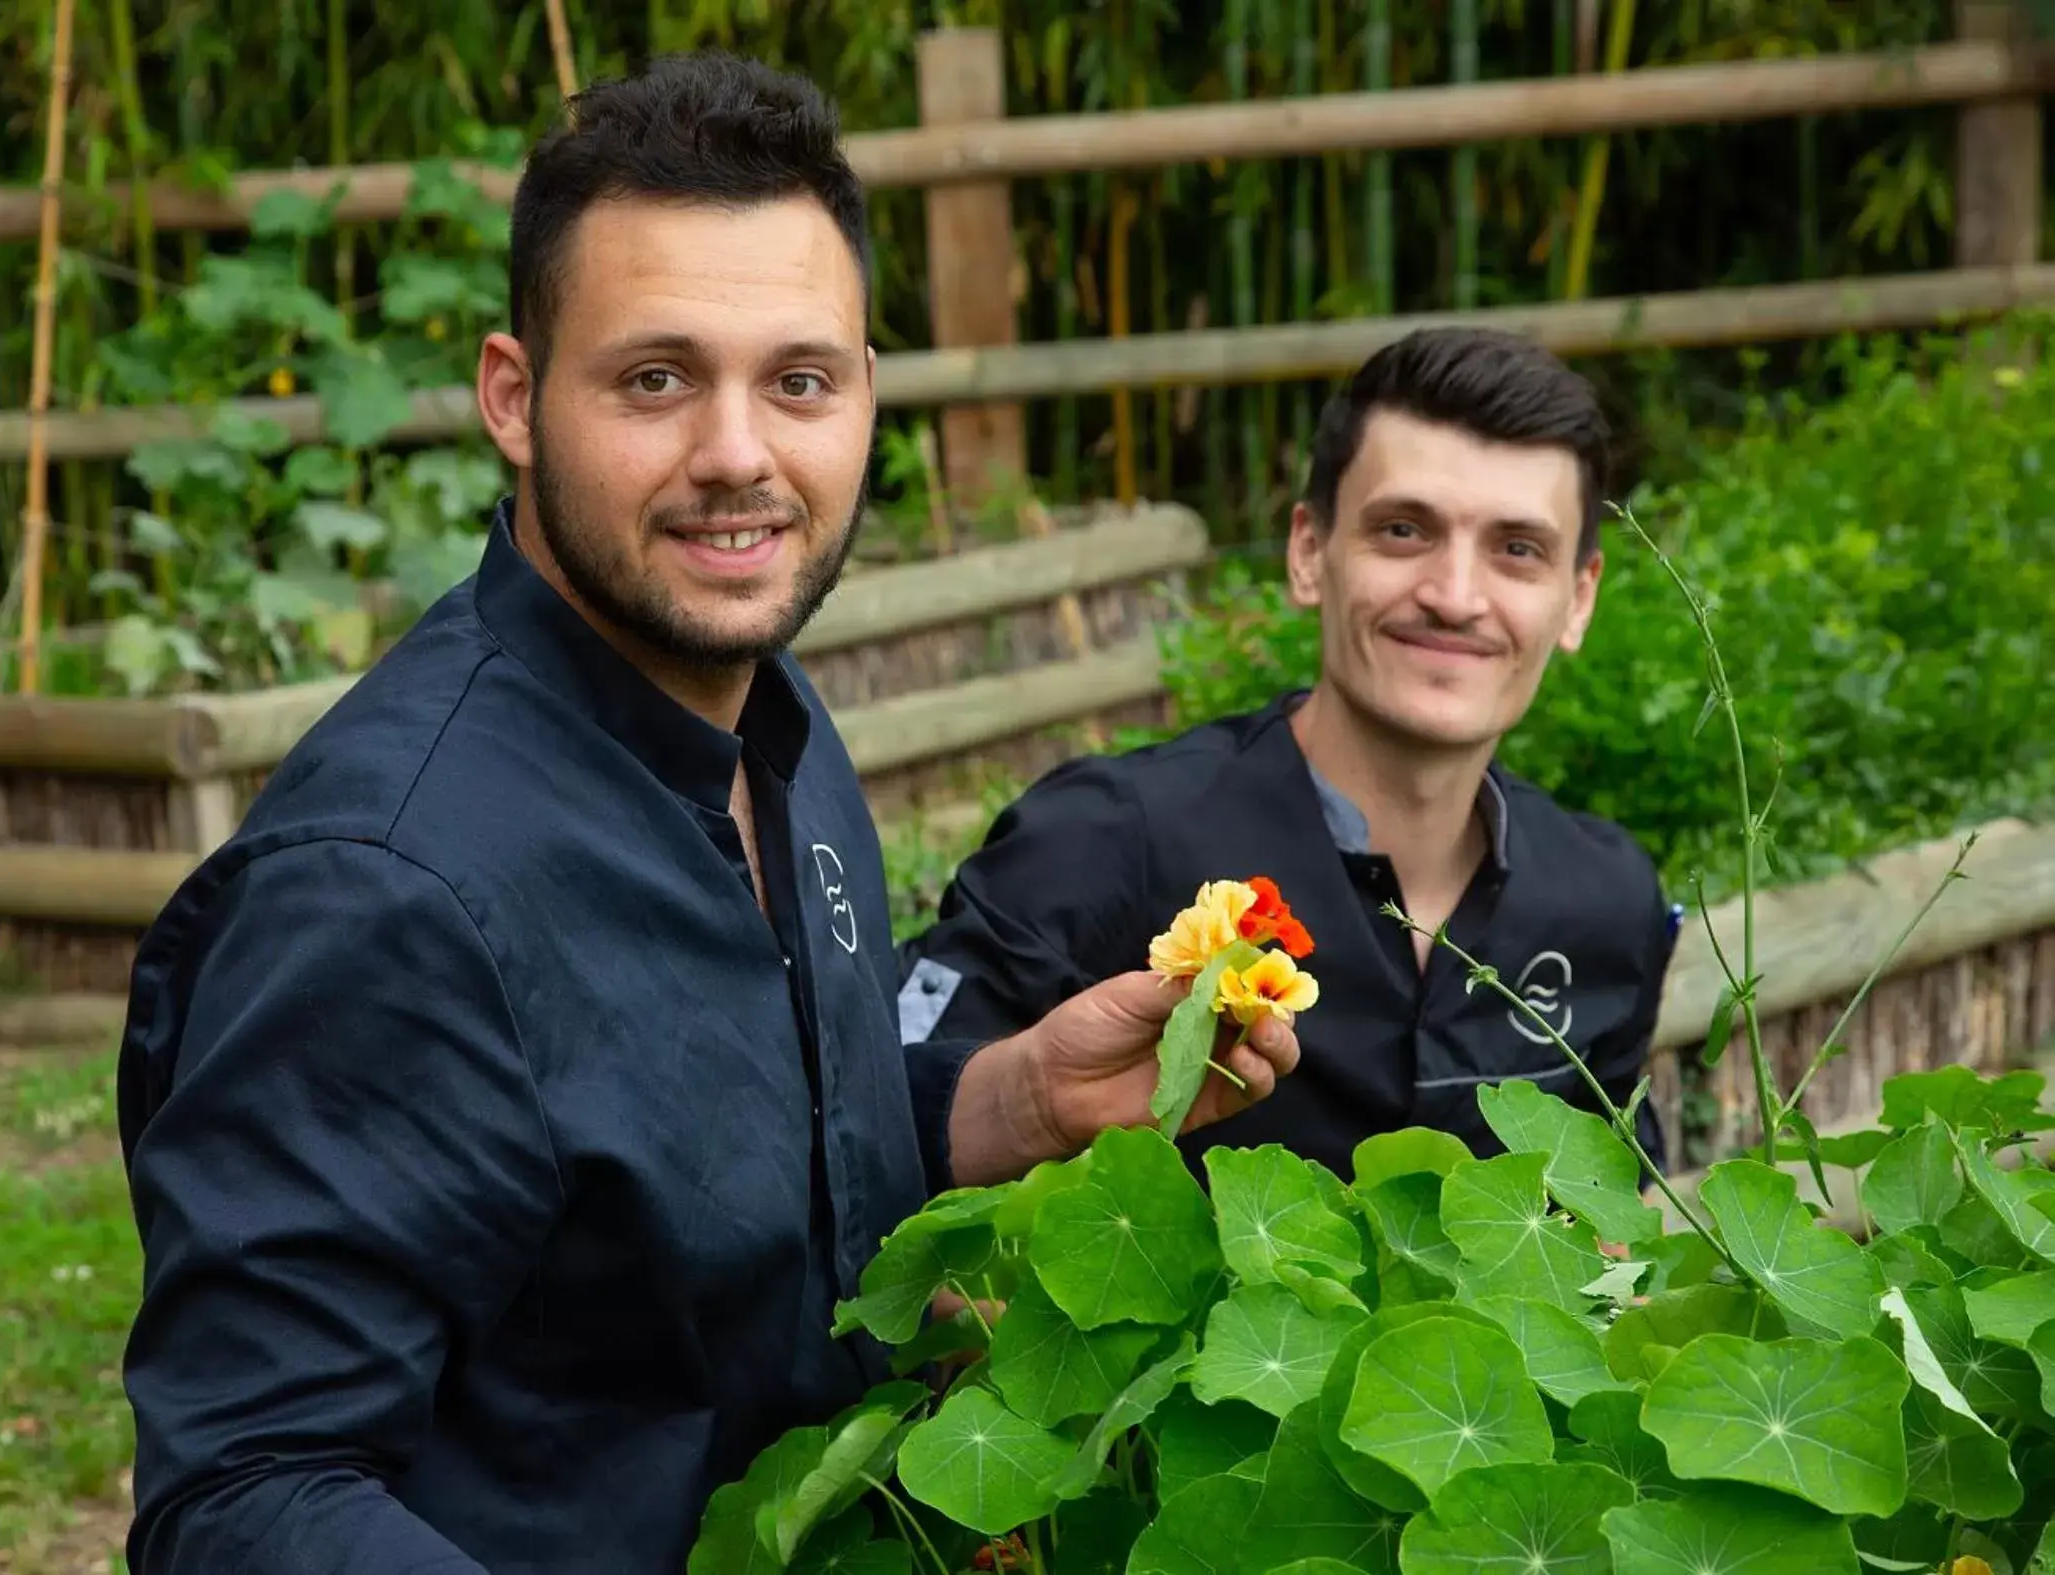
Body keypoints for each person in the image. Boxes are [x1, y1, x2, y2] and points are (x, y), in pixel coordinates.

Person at [112, 52, 1298, 1575]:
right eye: (656, 377)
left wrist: (999, 1106)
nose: (738, 452)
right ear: (513, 397)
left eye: (797, 378)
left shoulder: (771, 724)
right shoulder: (380, 889)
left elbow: (687, 1195)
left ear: (867, 391)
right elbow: (246, 1493)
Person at [898, 326, 1679, 1182]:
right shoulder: (1099, 844)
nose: (1456, 597)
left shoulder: (1610, 902)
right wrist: (1022, 1103)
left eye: (1517, 549)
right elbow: (872, 1138)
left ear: (1578, 599)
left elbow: (1607, 1236)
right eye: (1404, 530)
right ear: (1309, 552)